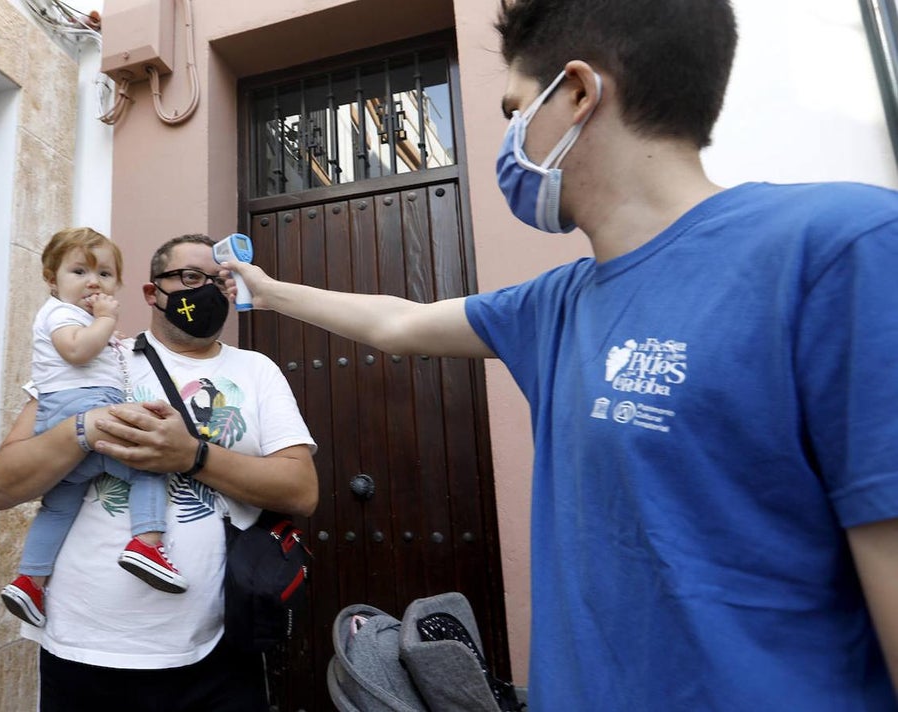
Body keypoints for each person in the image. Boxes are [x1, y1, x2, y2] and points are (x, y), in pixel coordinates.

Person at [220, 1, 898, 709]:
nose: (510, 138)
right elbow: (400, 322)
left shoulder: (843, 254)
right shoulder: (556, 303)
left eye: (516, 110)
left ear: (576, 93)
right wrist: (265, 291)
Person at [0, 233, 317, 711]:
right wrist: (85, 428)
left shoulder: (257, 370)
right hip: (83, 650)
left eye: (220, 282)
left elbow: (301, 491)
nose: (205, 291)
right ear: (150, 292)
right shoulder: (95, 358)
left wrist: (192, 456)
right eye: (189, 277)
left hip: (217, 648)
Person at [0, 227, 189, 630]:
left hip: (62, 418)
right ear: (52, 280)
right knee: (148, 463)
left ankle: (31, 581)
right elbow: (77, 350)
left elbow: (87, 348)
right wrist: (104, 321)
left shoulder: (75, 319)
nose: (92, 281)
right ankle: (147, 544)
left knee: (60, 503)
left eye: (104, 274)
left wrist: (102, 332)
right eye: (79, 271)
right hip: (84, 408)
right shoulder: (60, 313)